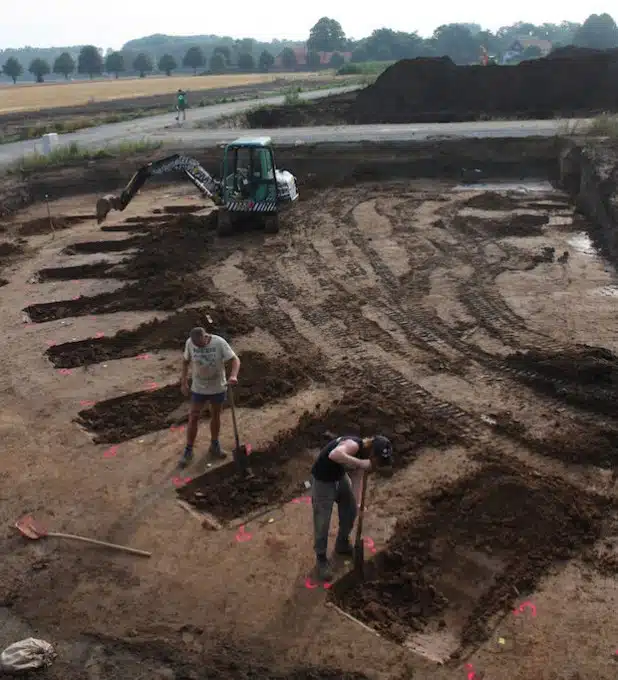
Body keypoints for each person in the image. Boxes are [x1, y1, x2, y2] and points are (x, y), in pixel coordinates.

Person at [311, 435, 393, 581]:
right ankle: (321, 558)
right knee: (322, 521)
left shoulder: (364, 458)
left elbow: (357, 478)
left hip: (339, 478)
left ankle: (342, 544)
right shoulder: (353, 445)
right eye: (379, 459)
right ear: (372, 452)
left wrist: (357, 505)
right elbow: (334, 454)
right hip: (323, 481)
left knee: (350, 510)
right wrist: (361, 463)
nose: (378, 464)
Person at [179, 327, 240, 468]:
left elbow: (235, 360)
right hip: (198, 388)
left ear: (205, 337)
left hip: (218, 387)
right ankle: (188, 450)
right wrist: (183, 382)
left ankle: (214, 445)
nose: (198, 347)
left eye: (200, 345)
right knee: (193, 416)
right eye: (196, 346)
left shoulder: (219, 343)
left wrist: (233, 375)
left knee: (215, 415)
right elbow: (185, 361)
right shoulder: (190, 343)